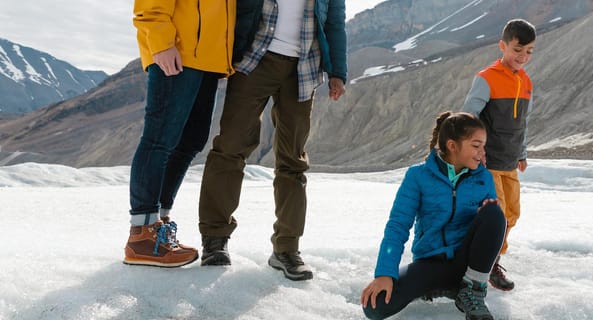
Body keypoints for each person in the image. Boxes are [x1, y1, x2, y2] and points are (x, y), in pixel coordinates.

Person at [196, 0, 347, 282]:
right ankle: (214, 240)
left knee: (293, 160)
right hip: (254, 58)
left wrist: (337, 71)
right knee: (230, 147)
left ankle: (286, 249)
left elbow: (334, 23)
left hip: (303, 67)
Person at [361, 112, 507, 320]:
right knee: (376, 306)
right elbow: (397, 226)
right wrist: (385, 274)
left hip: (467, 265)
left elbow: (490, 229)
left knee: (494, 212)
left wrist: (484, 267)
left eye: (483, 146)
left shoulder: (483, 178)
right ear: (452, 146)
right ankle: (441, 288)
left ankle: (471, 290)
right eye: (476, 146)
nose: (482, 153)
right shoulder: (417, 176)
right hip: (430, 264)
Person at [124, 0, 235, 268]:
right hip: (178, 51)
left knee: (190, 142)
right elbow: (149, 7)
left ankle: (159, 227)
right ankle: (141, 235)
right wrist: (161, 42)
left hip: (208, 60)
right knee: (159, 139)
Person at [461, 18, 536, 291]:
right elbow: (470, 117)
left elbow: (522, 123)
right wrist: (474, 150)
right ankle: (487, 264)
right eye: (517, 50)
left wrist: (522, 152)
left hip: (510, 161)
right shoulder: (486, 78)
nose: (523, 57)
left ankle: (491, 258)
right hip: (488, 161)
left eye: (529, 51)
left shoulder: (526, 82)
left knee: (513, 214)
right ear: (503, 45)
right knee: (498, 214)